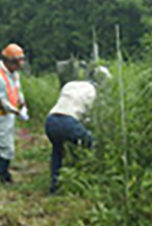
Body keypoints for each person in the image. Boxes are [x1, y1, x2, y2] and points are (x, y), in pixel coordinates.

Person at [45, 66, 110, 194]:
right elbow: (88, 118)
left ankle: (54, 185)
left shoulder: (71, 84)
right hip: (68, 122)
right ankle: (93, 180)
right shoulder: (93, 92)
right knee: (92, 145)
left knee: (57, 152)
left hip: (51, 120)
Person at [0, 43, 28, 183]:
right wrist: (16, 111)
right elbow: (0, 101)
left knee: (8, 145)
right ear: (7, 61)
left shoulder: (14, 75)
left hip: (9, 115)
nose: (19, 66)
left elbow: (18, 91)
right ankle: (1, 176)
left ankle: (1, 173)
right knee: (3, 146)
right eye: (16, 62)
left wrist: (22, 104)